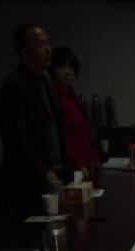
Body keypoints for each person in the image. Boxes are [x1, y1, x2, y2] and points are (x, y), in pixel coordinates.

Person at [0, 23, 73, 219]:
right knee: (35, 228)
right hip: (31, 177)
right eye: (40, 45)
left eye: (48, 43)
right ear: (24, 52)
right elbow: (15, 137)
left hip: (57, 170)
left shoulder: (47, 79)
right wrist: (43, 170)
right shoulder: (15, 86)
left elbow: (57, 126)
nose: (48, 50)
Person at [50, 46, 99, 180]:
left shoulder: (70, 94)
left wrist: (92, 156)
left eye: (71, 68)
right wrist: (78, 163)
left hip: (84, 161)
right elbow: (63, 137)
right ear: (53, 70)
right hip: (70, 165)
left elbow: (82, 131)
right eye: (61, 67)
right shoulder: (54, 98)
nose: (67, 72)